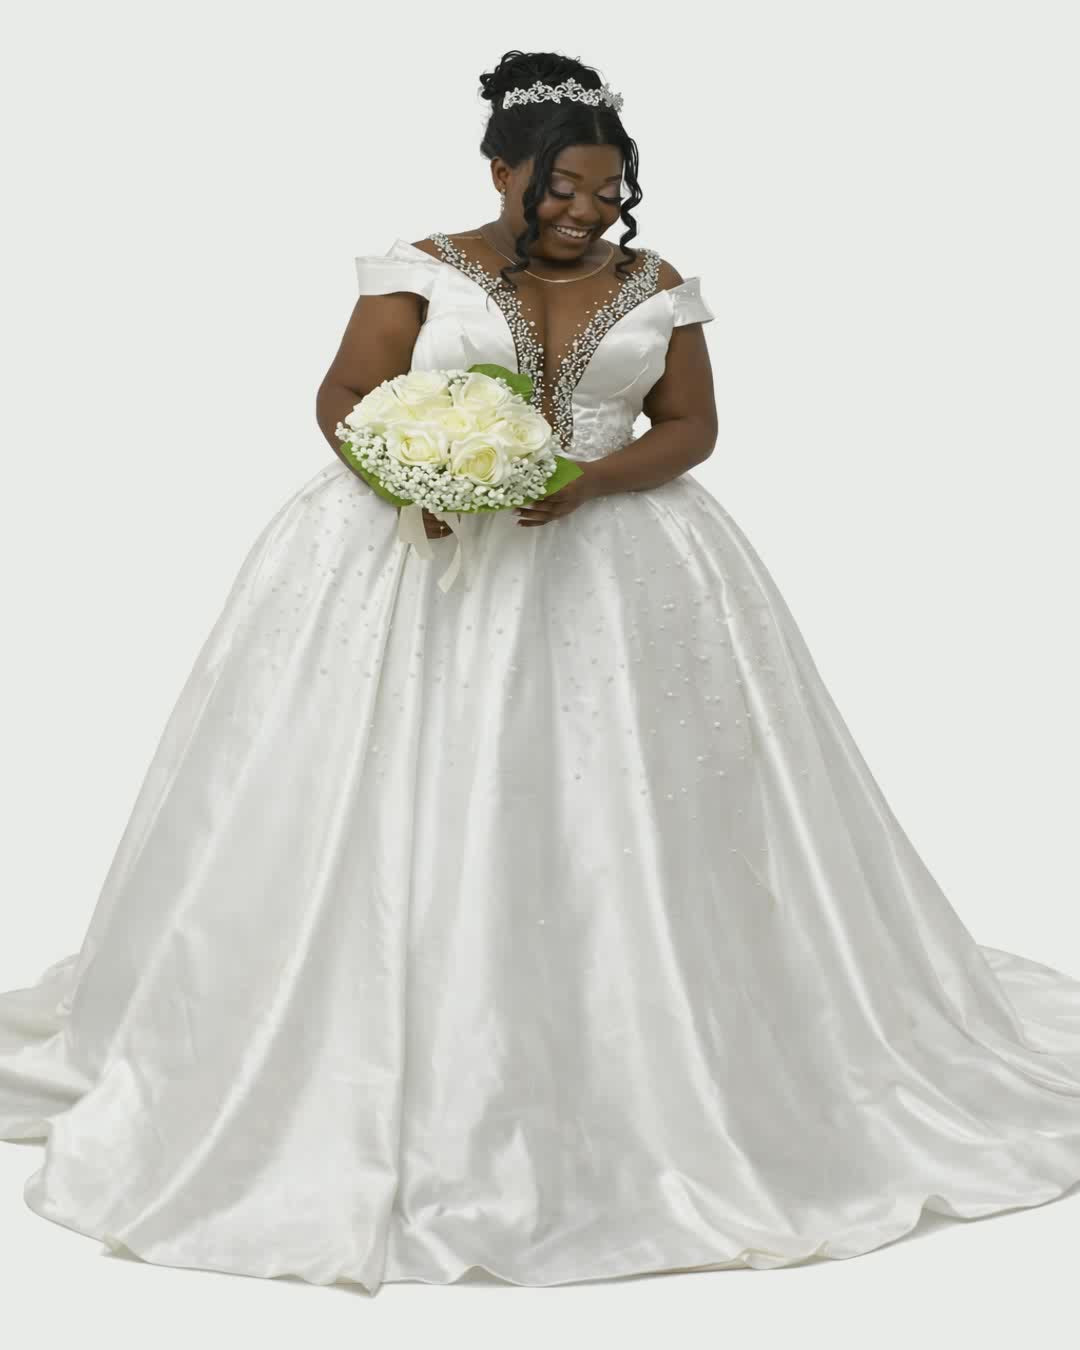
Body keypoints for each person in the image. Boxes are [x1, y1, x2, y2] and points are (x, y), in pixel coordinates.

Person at [2, 48, 1079, 1298]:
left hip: (621, 568)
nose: (583, 211)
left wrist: (589, 478)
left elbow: (692, 428)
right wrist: (409, 476)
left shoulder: (659, 287)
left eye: (607, 191)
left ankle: (657, 1052)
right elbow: (347, 392)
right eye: (559, 188)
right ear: (501, 171)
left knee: (629, 807)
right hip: (414, 559)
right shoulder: (419, 269)